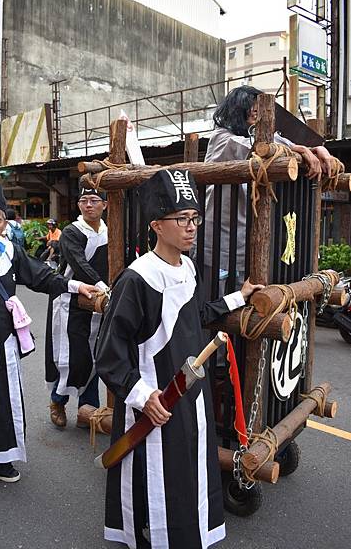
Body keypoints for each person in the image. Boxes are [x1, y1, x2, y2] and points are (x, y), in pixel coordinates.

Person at [96, 169, 263, 549]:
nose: (191, 227)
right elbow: (108, 352)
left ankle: (184, 534)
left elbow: (195, 315)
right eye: (181, 219)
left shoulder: (187, 267)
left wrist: (238, 298)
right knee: (152, 470)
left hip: (190, 393)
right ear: (156, 224)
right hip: (155, 396)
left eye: (194, 218)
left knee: (186, 467)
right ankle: (149, 535)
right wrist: (141, 396)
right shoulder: (137, 279)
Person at [0, 185, 96, 483]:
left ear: (5, 223)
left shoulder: (10, 252)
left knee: (2, 404)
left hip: (3, 347)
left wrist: (76, 286)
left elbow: (40, 276)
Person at [204, 85, 334, 295]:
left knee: (248, 298)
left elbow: (270, 146)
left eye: (261, 113)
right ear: (238, 110)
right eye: (253, 112)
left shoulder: (259, 139)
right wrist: (301, 149)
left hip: (247, 236)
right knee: (217, 300)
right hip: (218, 237)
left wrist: (313, 149)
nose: (258, 118)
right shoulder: (222, 138)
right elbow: (258, 149)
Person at [46, 188, 108, 428]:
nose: (88, 205)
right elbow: (78, 264)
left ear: (105, 205)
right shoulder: (72, 232)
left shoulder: (109, 230)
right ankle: (57, 401)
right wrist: (103, 286)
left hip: (99, 300)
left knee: (95, 354)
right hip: (70, 299)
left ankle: (88, 409)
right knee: (71, 356)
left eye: (94, 200)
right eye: (83, 200)